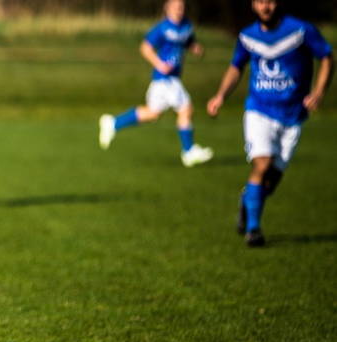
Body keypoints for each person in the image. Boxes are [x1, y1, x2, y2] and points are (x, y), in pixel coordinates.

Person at [207, 0, 332, 247]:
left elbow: (327, 57)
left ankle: (247, 201)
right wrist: (221, 95)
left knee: (271, 180)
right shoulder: (247, 36)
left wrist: (319, 91)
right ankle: (253, 229)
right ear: (253, 5)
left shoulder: (300, 30)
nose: (266, 7)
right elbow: (236, 67)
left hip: (293, 115)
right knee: (262, 164)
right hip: (259, 110)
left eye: (270, 1)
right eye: (260, 2)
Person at [99, 0, 213, 167]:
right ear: (167, 8)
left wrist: (195, 48)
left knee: (153, 113)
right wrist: (159, 64)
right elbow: (145, 48)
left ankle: (113, 123)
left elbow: (187, 41)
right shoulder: (162, 28)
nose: (179, 10)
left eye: (181, 7)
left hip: (170, 79)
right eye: (175, 7)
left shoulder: (187, 26)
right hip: (164, 79)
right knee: (186, 109)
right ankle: (188, 151)